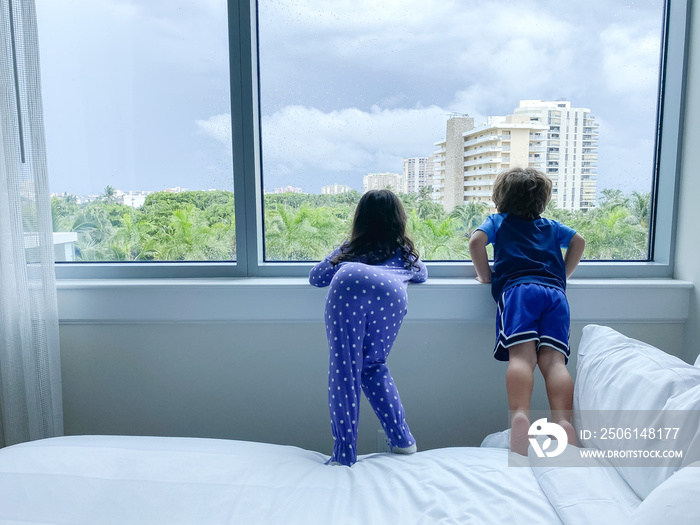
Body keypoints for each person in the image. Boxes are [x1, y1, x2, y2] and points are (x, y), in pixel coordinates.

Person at [468, 167, 585, 455]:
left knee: (522, 358)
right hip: (555, 296)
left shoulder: (498, 221)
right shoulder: (551, 226)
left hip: (519, 293)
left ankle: (520, 416)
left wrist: (486, 277)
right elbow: (578, 241)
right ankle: (562, 423)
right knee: (555, 362)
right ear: (541, 201)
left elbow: (476, 242)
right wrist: (562, 275)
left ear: (501, 198)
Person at [309, 189, 428, 466]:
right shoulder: (403, 252)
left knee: (345, 368)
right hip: (392, 293)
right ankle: (402, 440)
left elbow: (316, 277)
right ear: (398, 220)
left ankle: (344, 453)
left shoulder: (351, 249)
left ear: (360, 219)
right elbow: (422, 273)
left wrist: (341, 252)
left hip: (350, 279)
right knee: (374, 365)